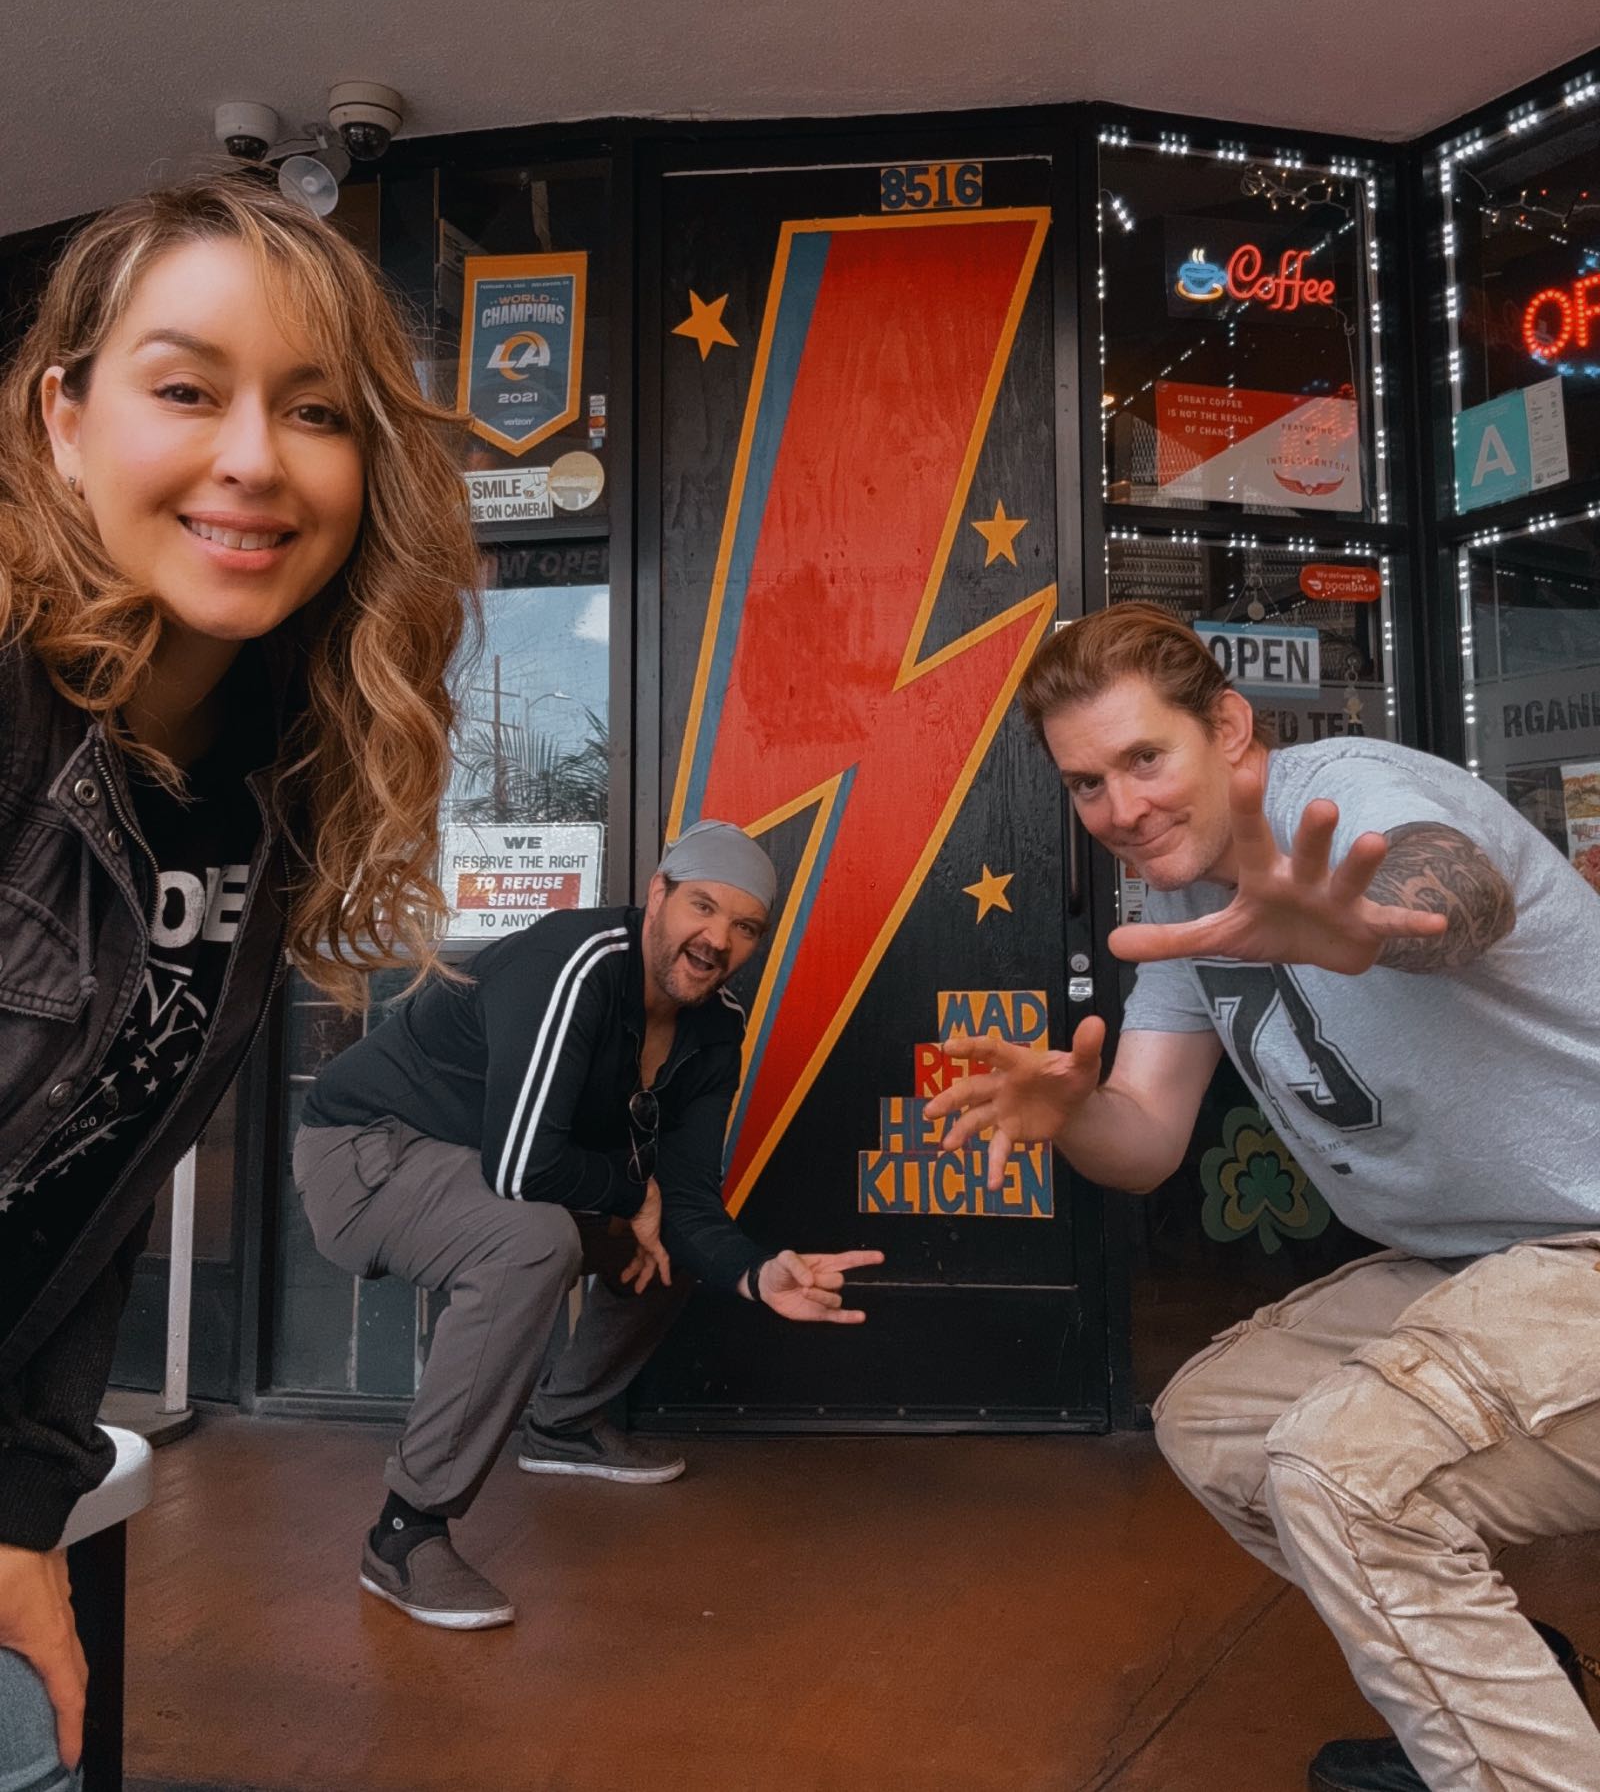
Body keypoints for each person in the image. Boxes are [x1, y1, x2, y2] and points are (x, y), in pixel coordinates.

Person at [929, 601, 1600, 1792]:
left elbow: (1454, 886)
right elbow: (1144, 1139)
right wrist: (1071, 1116)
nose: (1120, 808)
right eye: (1087, 784)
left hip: (1584, 1247)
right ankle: (1501, 1692)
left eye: (1145, 757)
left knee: (1342, 1471)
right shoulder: (1178, 907)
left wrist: (1373, 922)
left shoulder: (1337, 794)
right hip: (1478, 1266)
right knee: (1218, 1422)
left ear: (1228, 728)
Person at [0, 173, 479, 1786]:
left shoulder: (264, 780)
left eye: (317, 410)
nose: (256, 458)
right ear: (66, 419)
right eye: (187, 389)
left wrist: (23, 1499)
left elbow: (89, 1188)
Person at [294, 818, 884, 1630]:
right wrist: (633, 1190)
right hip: (367, 1153)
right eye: (702, 906)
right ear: (657, 894)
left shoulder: (715, 1025)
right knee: (534, 1240)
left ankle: (564, 1422)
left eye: (745, 926)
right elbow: (522, 1168)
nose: (717, 940)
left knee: (668, 1239)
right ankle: (404, 1531)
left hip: (477, 1164)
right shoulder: (577, 963)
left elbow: (687, 1200)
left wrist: (755, 1271)